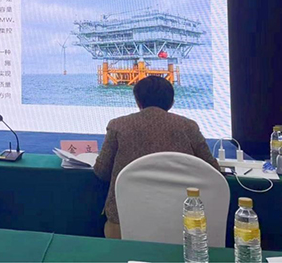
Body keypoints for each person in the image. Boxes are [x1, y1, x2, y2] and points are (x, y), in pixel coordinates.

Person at [93, 75, 220, 239]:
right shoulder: (189, 126)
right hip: (180, 220)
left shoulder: (117, 125)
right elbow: (213, 171)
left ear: (138, 101)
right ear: (171, 102)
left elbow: (102, 172)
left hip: (124, 220)